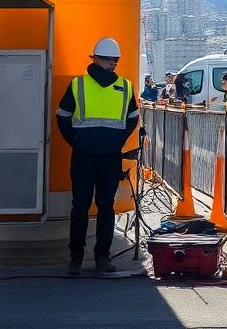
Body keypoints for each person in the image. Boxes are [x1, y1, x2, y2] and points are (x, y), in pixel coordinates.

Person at [56, 37, 140, 275]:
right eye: (107, 60)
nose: (111, 65)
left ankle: (103, 255)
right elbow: (62, 114)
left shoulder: (125, 86)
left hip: (108, 156)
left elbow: (133, 117)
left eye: (114, 61)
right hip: (84, 155)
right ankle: (77, 256)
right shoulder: (78, 84)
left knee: (106, 206)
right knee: (80, 206)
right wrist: (75, 140)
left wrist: (117, 140)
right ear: (95, 60)